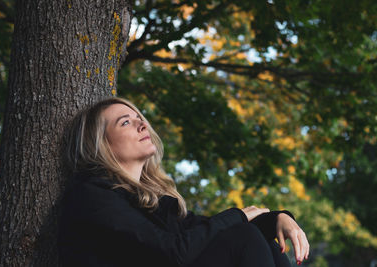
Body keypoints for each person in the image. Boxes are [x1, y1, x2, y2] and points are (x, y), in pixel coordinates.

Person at [59, 97, 310, 267]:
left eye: (139, 117)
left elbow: (204, 230)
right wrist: (238, 215)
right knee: (243, 236)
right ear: (101, 144)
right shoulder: (92, 195)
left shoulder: (151, 202)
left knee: (264, 238)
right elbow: (174, 252)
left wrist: (278, 218)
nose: (142, 123)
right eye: (125, 122)